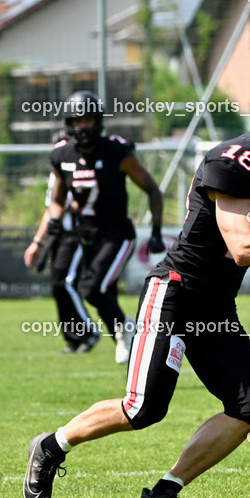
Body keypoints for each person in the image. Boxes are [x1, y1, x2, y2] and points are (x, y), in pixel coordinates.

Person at [23, 78, 250, 498]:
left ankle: (162, 495)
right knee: (142, 408)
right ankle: (51, 446)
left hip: (216, 306)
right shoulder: (235, 162)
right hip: (176, 293)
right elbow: (243, 247)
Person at [44, 92, 167, 363]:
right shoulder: (62, 155)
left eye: (88, 120)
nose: (83, 126)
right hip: (87, 235)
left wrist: (157, 232)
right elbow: (57, 198)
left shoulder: (116, 153)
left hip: (117, 235)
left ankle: (126, 327)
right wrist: (55, 216)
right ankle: (127, 338)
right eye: (77, 121)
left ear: (98, 121)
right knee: (101, 293)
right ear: (69, 123)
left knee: (92, 289)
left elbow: (152, 190)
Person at [24, 133, 100, 353]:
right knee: (58, 286)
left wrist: (69, 206)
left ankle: (89, 332)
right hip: (60, 236)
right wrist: (37, 242)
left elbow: (90, 200)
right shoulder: (56, 173)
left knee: (66, 283)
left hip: (77, 234)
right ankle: (74, 339)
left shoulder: (81, 170)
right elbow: (51, 210)